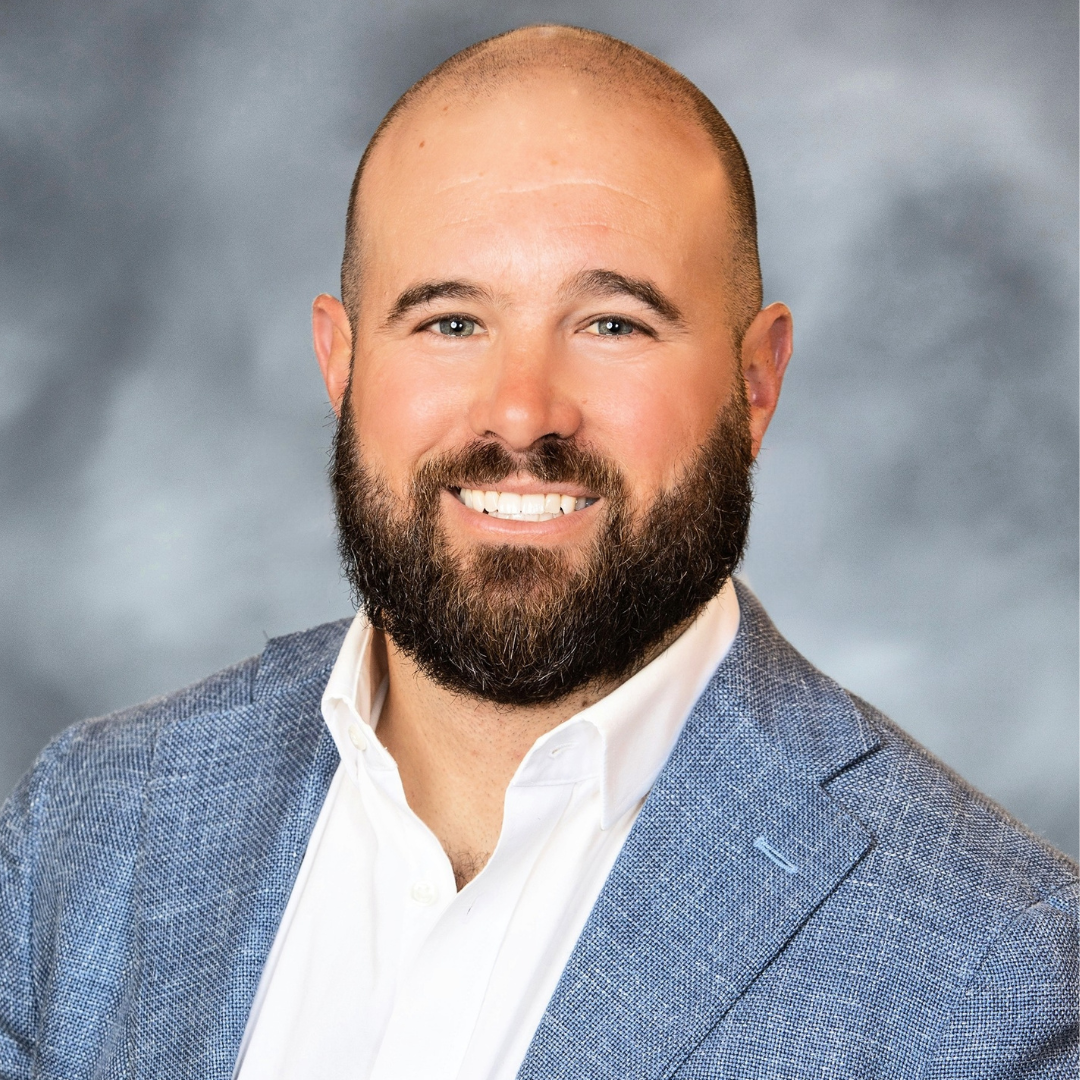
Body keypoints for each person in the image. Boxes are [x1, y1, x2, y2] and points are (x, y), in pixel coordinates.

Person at [0, 24, 1075, 1080]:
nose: (521, 415)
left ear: (757, 382)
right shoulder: (87, 827)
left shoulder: (997, 975)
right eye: (450, 322)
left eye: (613, 324)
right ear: (340, 362)